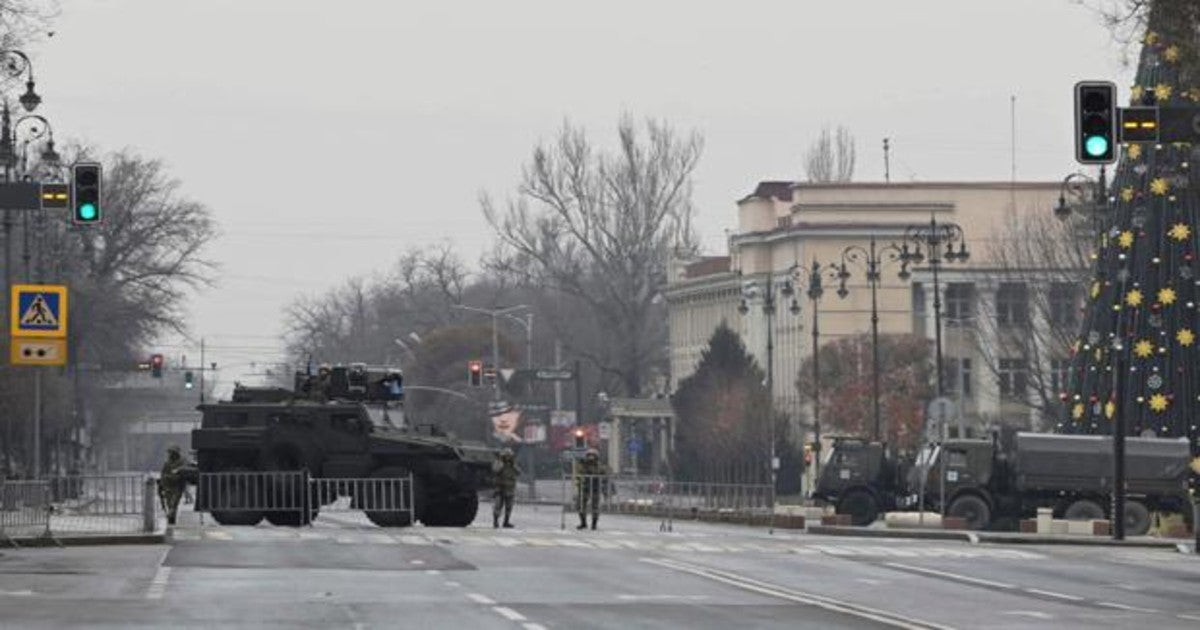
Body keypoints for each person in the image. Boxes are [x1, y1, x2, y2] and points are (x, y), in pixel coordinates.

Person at [574, 447, 610, 530]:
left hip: (595, 488)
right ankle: (583, 523)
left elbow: (605, 474)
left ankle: (594, 524)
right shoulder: (583, 465)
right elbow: (579, 474)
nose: (591, 457)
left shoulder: (600, 466)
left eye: (593, 455)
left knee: (595, 507)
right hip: (584, 488)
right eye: (589, 455)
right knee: (580, 505)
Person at [159, 445, 195, 526]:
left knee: (174, 504)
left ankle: (171, 519)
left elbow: (185, 472)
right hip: (168, 487)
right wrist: (162, 483)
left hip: (177, 487)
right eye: (169, 452)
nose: (170, 454)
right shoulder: (167, 463)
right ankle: (171, 521)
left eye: (171, 452)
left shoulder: (182, 461)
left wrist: (174, 476)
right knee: (169, 504)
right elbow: (163, 473)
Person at [492, 447, 521, 528]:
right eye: (506, 456)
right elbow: (495, 470)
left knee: (509, 507)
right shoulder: (499, 462)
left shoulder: (512, 464)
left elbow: (519, 472)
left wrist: (513, 465)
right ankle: (495, 521)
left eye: (509, 456)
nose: (508, 458)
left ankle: (506, 522)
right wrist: (501, 463)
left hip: (510, 489)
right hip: (500, 488)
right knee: (498, 506)